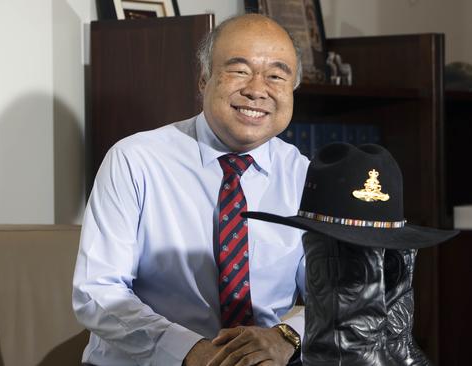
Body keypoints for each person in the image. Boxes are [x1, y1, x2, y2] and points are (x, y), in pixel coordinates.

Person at [72, 13, 309, 366]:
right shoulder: (135, 160)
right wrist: (189, 351)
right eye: (239, 70)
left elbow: (333, 295)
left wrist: (286, 338)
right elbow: (97, 292)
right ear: (203, 80)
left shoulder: (306, 176)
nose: (257, 89)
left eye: (276, 76)